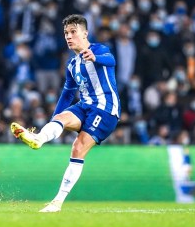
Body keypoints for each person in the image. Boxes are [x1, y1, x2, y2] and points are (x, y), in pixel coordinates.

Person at [10, 14, 120, 212]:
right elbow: (67, 94)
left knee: (78, 148)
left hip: (106, 109)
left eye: (73, 32)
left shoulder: (99, 50)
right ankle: (38, 139)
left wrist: (95, 58)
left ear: (85, 34)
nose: (69, 36)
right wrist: (53, 121)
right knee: (60, 118)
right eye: (66, 33)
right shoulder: (72, 65)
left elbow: (111, 60)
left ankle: (57, 202)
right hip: (85, 105)